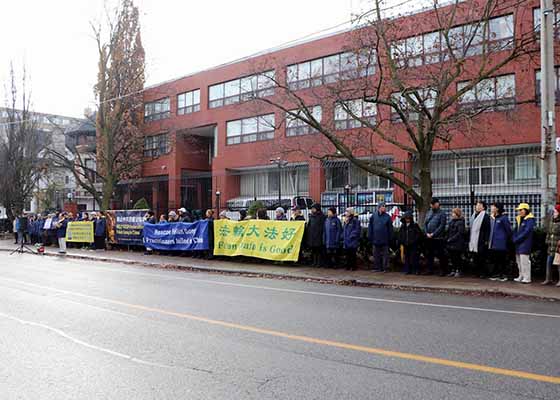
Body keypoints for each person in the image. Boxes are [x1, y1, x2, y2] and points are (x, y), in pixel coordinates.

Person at [488, 202, 512, 282]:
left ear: (497, 208)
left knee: (502, 260)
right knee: (496, 259)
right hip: (494, 243)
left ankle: (504, 275)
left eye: (493, 207)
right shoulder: (494, 218)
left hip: (501, 243)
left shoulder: (503, 218)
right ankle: (497, 274)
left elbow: (508, 230)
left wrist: (506, 239)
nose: (491, 208)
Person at [424, 197, 447, 275]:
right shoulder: (429, 212)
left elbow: (442, 225)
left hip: (438, 238)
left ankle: (443, 270)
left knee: (441, 254)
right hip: (429, 237)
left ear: (437, 204)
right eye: (431, 204)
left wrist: (433, 234)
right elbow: (425, 223)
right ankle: (430, 269)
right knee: (429, 254)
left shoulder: (442, 213)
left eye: (433, 204)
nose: (432, 206)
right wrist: (427, 233)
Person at [513, 203, 535, 284]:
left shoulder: (530, 220)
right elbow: (516, 230)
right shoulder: (519, 219)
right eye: (519, 210)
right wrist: (514, 238)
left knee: (524, 261)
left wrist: (517, 239)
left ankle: (527, 277)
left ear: (526, 210)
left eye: (521, 210)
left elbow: (527, 232)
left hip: (525, 243)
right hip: (518, 243)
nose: (519, 212)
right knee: (518, 260)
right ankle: (521, 275)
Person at [368, 202, 393, 272]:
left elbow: (390, 229)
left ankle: (386, 268)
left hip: (385, 239)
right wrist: (369, 236)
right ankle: (377, 267)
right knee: (376, 254)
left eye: (385, 206)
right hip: (375, 239)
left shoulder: (388, 217)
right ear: (379, 208)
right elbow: (370, 227)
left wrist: (390, 238)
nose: (384, 208)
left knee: (386, 255)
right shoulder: (373, 216)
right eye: (383, 206)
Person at [469, 201, 491, 278]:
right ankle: (476, 272)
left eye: (479, 205)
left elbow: (487, 229)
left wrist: (486, 240)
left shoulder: (486, 216)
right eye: (476, 205)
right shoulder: (473, 215)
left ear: (483, 207)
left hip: (481, 239)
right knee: (475, 257)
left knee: (482, 257)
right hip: (473, 239)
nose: (477, 207)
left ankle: (483, 272)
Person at [543, 204, 560, 285]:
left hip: (557, 246)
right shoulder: (551, 221)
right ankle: (548, 279)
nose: (554, 213)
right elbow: (548, 233)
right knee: (548, 262)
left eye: (556, 212)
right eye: (554, 212)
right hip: (551, 246)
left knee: (558, 264)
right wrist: (547, 241)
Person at [446, 208, 466, 277]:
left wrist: (451, 239)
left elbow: (459, 233)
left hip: (457, 243)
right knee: (452, 257)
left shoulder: (460, 222)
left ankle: (458, 270)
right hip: (451, 243)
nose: (452, 214)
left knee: (457, 257)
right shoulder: (451, 221)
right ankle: (453, 269)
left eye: (453, 213)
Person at [306, 203, 326, 267]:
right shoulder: (311, 216)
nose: (312, 210)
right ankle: (314, 262)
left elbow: (323, 227)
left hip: (318, 235)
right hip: (312, 236)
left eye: (313, 208)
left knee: (319, 250)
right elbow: (309, 225)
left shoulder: (322, 216)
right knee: (314, 250)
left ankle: (319, 262)